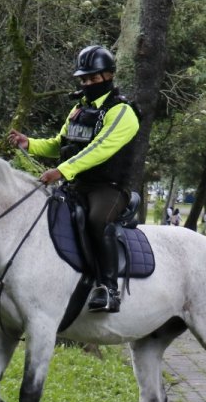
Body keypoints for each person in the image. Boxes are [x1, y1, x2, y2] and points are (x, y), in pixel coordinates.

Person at [8, 45, 140, 313]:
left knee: (97, 221)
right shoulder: (78, 110)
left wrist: (61, 171)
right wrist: (29, 143)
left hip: (109, 188)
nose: (88, 83)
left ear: (109, 76)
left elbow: (100, 149)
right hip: (76, 185)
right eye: (84, 79)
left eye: (94, 78)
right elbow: (61, 144)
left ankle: (108, 289)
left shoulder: (122, 112)